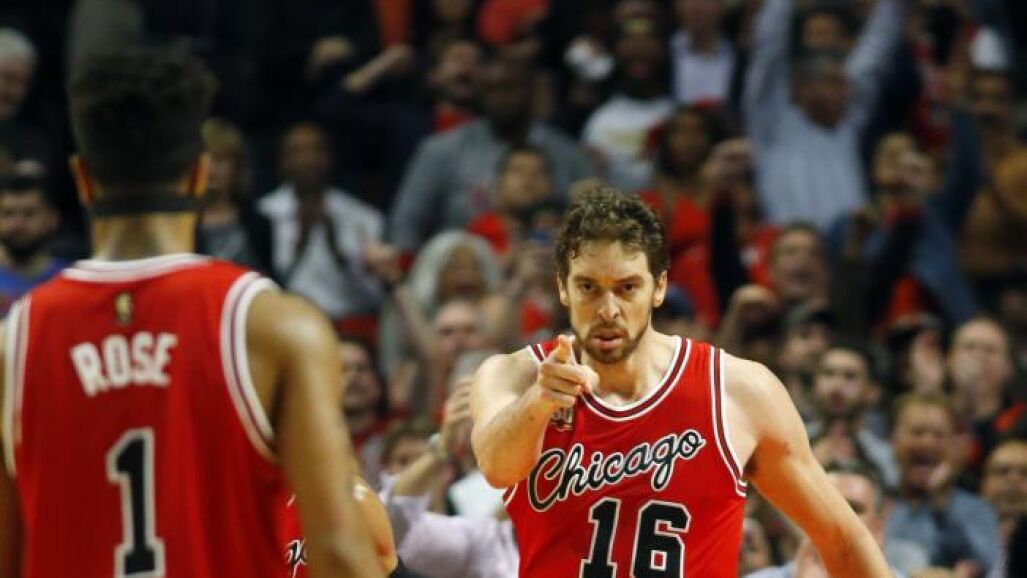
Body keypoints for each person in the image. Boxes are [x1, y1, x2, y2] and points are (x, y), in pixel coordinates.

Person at [0, 48, 383, 578]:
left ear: (83, 180)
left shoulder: (14, 342)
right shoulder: (274, 325)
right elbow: (337, 549)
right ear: (200, 176)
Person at [471, 186, 890, 577]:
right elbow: (497, 467)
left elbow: (843, 538)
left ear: (659, 287)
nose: (608, 309)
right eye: (588, 287)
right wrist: (539, 402)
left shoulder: (738, 390)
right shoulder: (514, 376)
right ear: (563, 288)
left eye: (627, 287)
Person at [887, 393, 1001, 574]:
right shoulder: (874, 499)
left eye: (938, 435)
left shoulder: (976, 510)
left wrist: (940, 504)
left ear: (954, 445)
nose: (927, 442)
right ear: (893, 440)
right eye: (917, 432)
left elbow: (984, 566)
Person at [0, 170, 63, 315]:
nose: (17, 224)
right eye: (8, 214)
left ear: (52, 219)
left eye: (29, 214)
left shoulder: (66, 279)